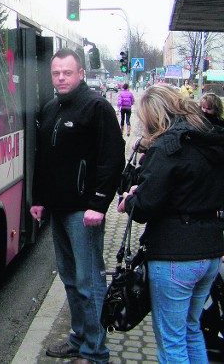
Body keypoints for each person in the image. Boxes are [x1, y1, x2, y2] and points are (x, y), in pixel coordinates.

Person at [30, 48, 125, 364]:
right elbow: (44, 160)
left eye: (67, 72)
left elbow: (112, 159)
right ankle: (79, 338)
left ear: (81, 73)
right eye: (56, 73)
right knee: (70, 280)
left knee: (89, 283)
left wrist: (99, 203)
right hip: (59, 210)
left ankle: (95, 351)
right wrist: (39, 199)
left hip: (83, 214)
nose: (60, 78)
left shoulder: (96, 107)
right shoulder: (52, 107)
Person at [118, 84, 224, 363]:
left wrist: (129, 200)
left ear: (155, 116)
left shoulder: (168, 147)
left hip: (176, 255)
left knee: (171, 341)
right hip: (211, 251)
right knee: (192, 331)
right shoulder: (209, 139)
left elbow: (145, 206)